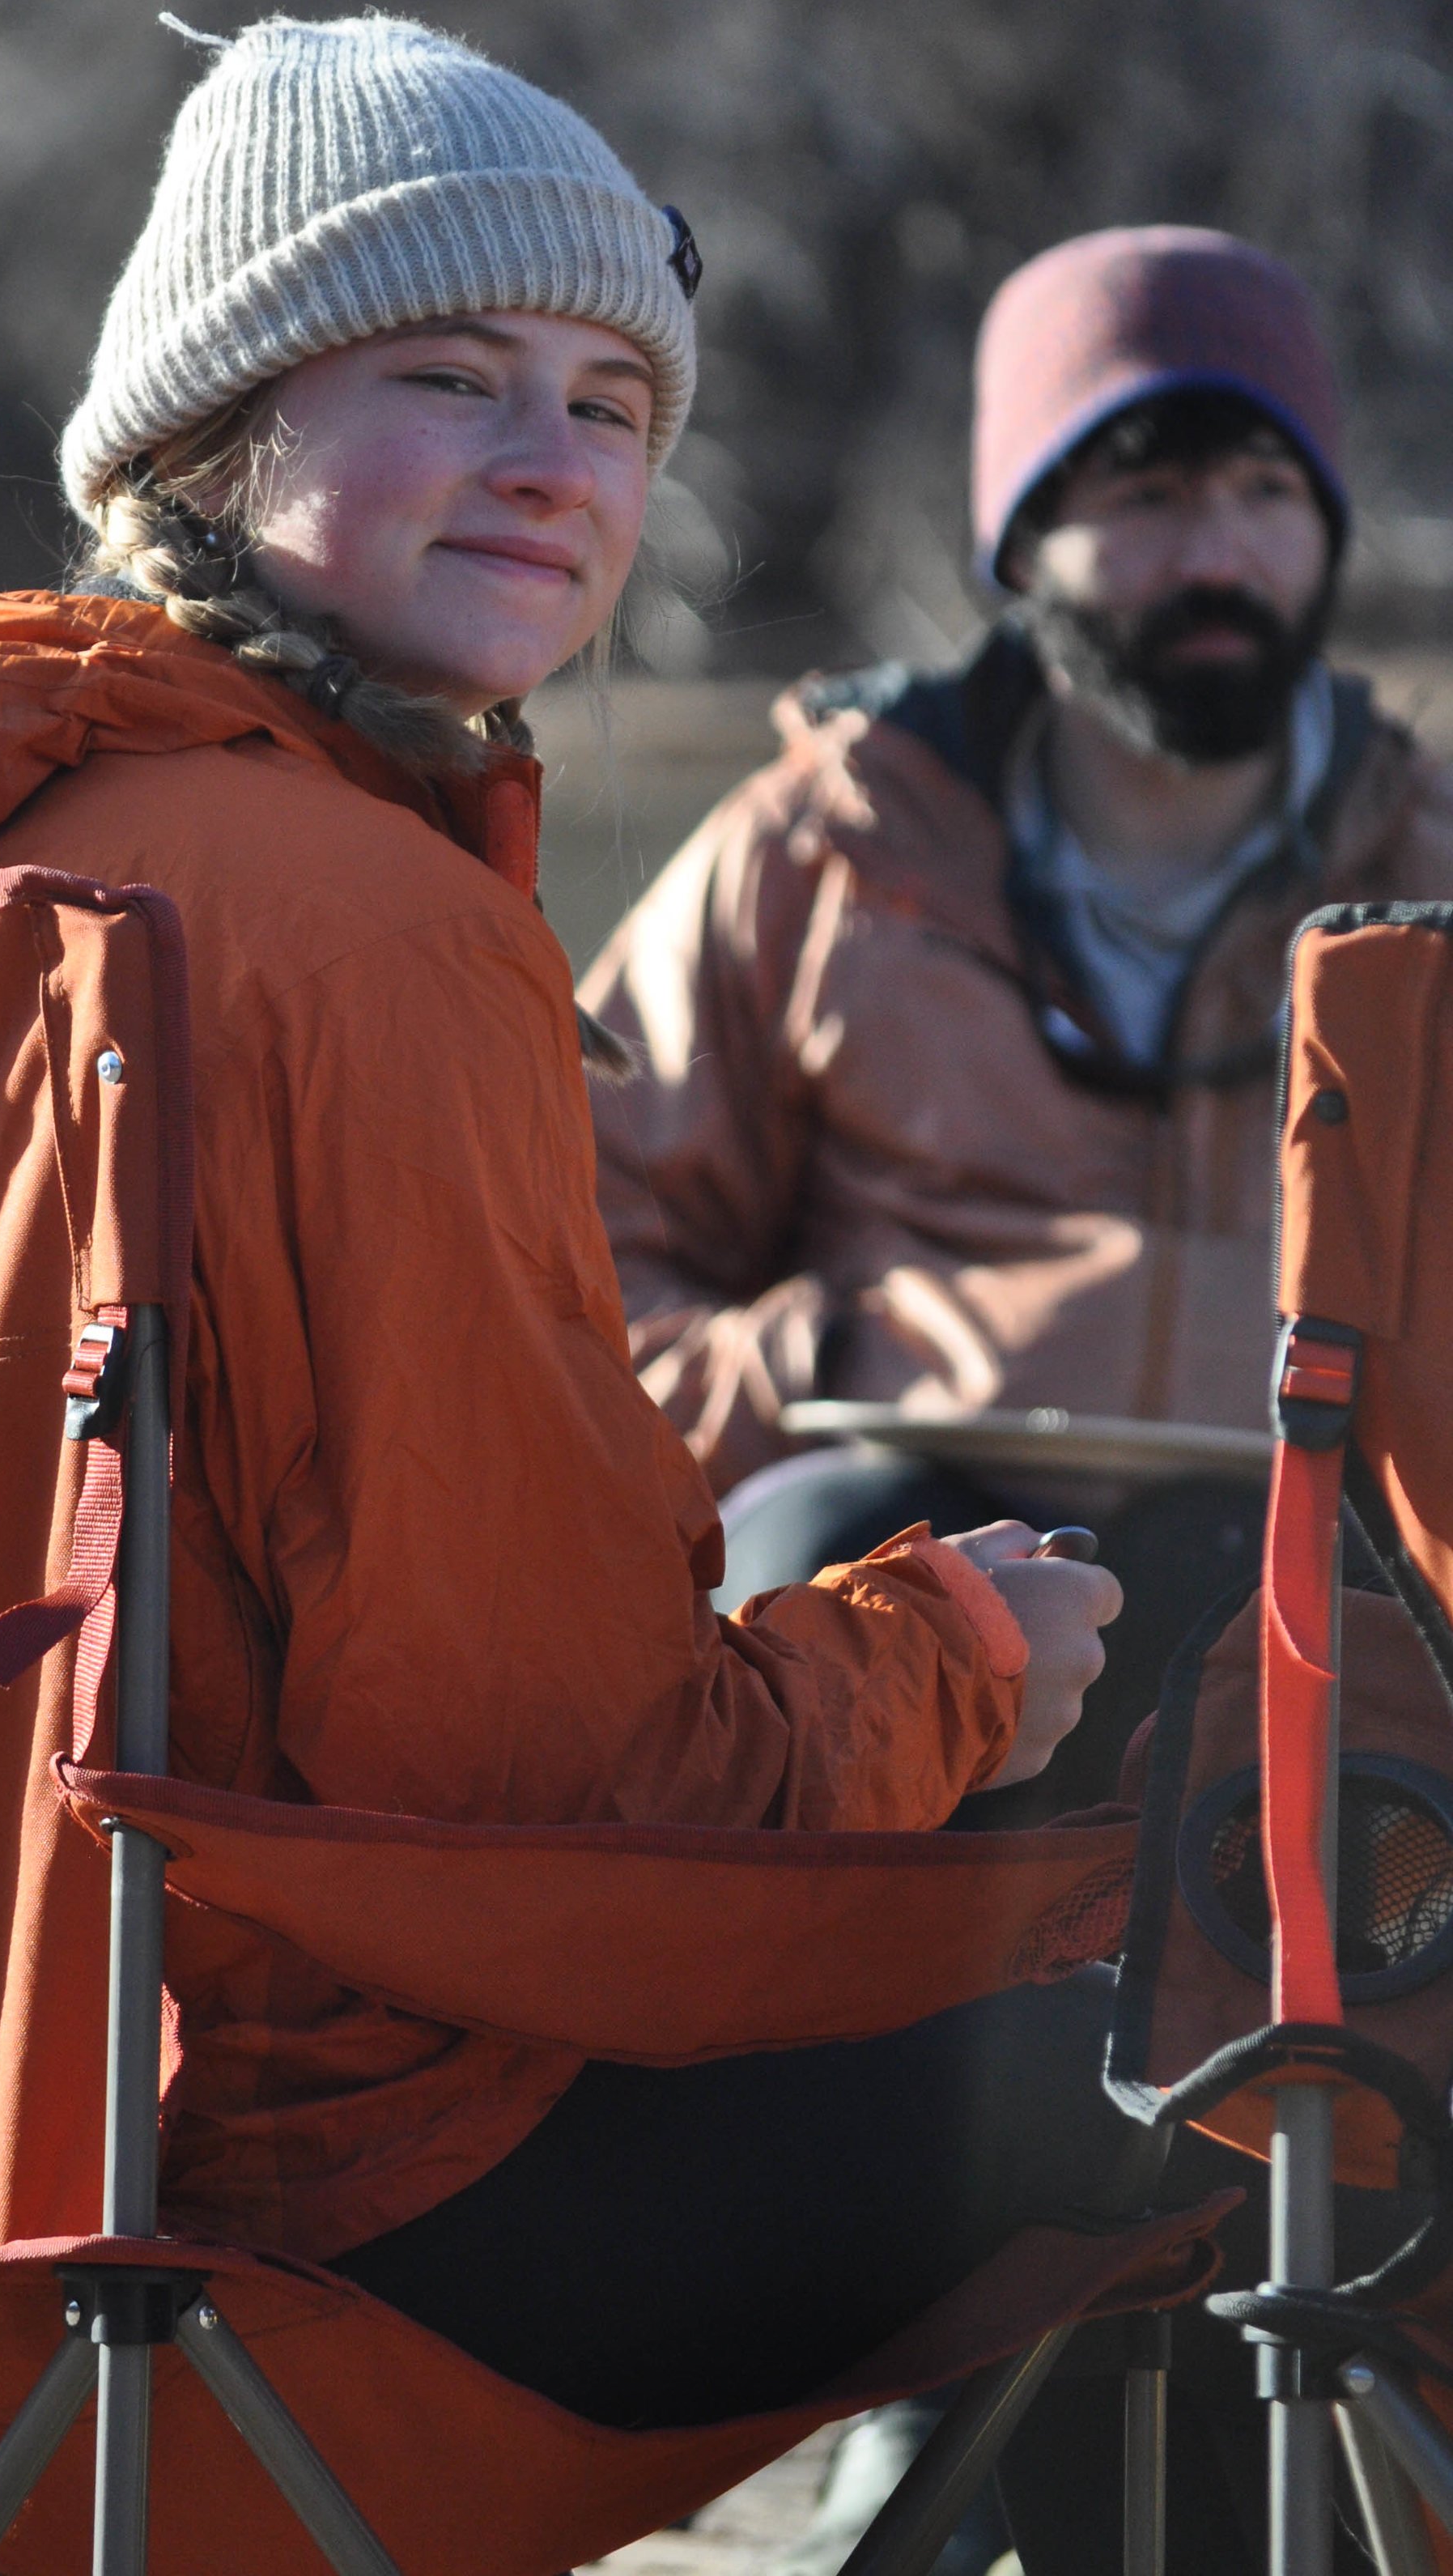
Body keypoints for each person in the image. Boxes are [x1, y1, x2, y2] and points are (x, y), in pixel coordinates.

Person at [0, 16, 1143, 2553]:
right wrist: (946, 1662)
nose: (560, 465)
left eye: (612, 401)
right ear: (211, 441)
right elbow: (547, 1797)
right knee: (1263, 2058)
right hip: (321, 2211)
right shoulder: (362, 939)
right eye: (449, 377)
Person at [584, 224, 1453, 1816]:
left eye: (1268, 493)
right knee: (788, 1568)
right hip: (918, 1557)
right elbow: (554, 1277)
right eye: (1143, 496)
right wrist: (835, 1351)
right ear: (1021, 535)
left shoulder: (1433, 873)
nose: (1217, 553)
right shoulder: (816, 854)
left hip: (1342, 1561)